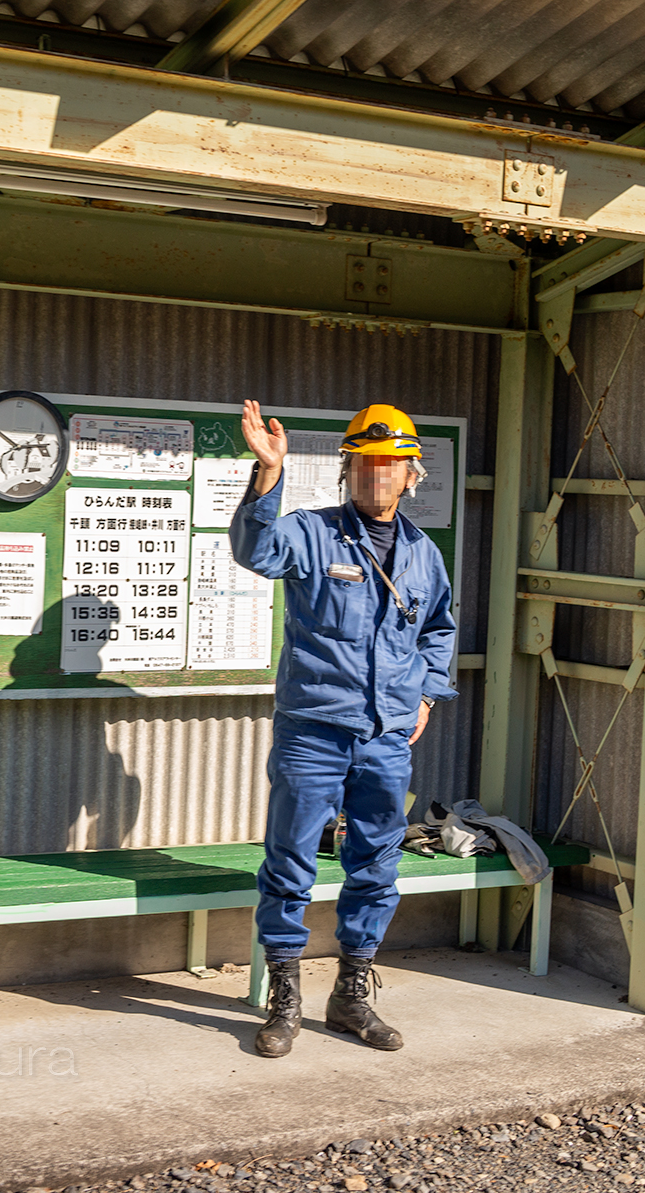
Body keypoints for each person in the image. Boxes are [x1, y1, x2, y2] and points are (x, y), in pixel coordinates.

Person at [229, 400, 458, 1057]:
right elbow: (256, 549)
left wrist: (428, 696)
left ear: (411, 474)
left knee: (376, 863)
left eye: (388, 464)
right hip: (314, 729)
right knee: (291, 858)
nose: (375, 475)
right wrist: (267, 475)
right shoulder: (311, 533)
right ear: (346, 470)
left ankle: (351, 995)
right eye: (363, 463)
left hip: (385, 737)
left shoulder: (423, 556)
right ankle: (284, 998)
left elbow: (439, 628)